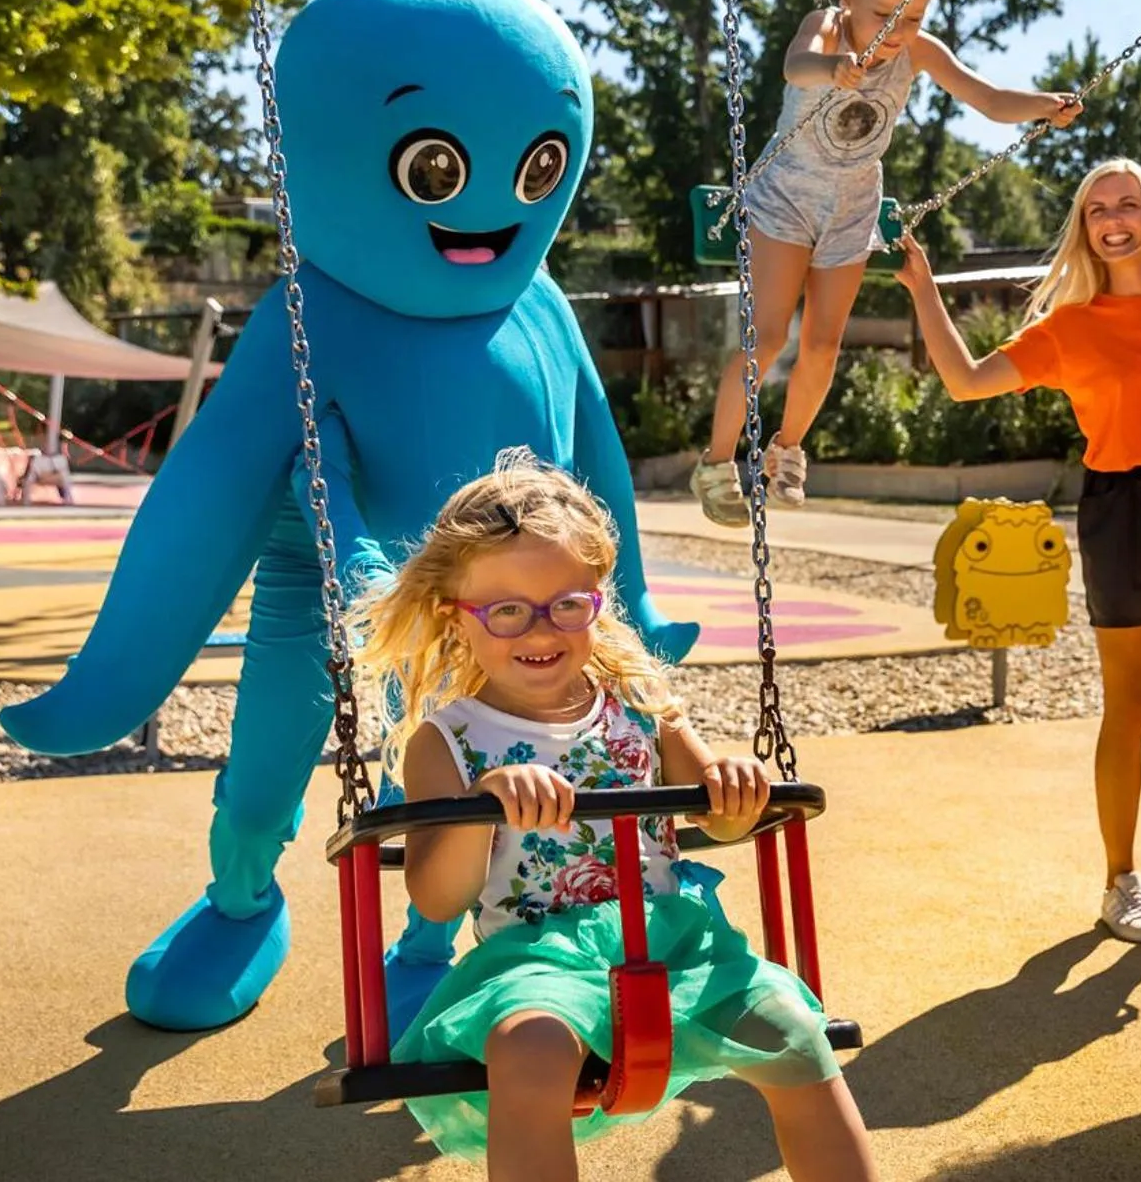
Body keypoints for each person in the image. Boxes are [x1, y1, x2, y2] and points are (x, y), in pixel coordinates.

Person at [351, 449, 875, 1181]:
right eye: (506, 610)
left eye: (568, 604)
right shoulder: (451, 740)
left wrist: (734, 779)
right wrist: (484, 804)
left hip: (678, 944)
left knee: (794, 1029)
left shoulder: (642, 711)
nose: (540, 630)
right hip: (535, 960)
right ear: (455, 617)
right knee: (529, 1054)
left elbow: (724, 820)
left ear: (598, 598)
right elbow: (437, 897)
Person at [893, 158, 1141, 946]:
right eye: (1098, 208)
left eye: (1127, 203)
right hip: (1119, 509)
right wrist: (924, 288)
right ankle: (1121, 880)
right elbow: (964, 382)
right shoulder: (1069, 328)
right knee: (1126, 706)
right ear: (1085, 228)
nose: (1113, 218)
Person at [689, 0, 1085, 526]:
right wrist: (832, 68)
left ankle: (786, 451)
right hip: (787, 197)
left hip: (853, 207)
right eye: (884, 14)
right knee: (768, 338)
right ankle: (715, 464)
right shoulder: (826, 26)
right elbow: (796, 64)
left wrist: (1044, 104)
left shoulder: (917, 50)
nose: (896, 31)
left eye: (914, 16)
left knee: (823, 343)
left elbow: (987, 98)